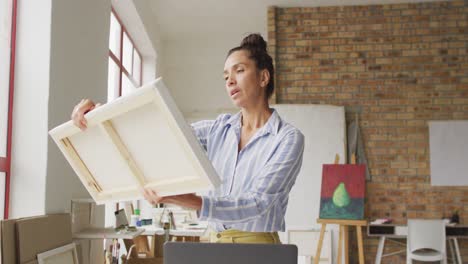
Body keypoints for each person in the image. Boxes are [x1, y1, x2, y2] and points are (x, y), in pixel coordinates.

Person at [71, 33, 304, 244]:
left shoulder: (287, 138)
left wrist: (189, 200)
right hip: (213, 241)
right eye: (225, 76)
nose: (230, 81)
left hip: (258, 246)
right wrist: (101, 118)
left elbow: (259, 204)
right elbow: (160, 136)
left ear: (264, 77)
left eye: (239, 70)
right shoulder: (217, 130)